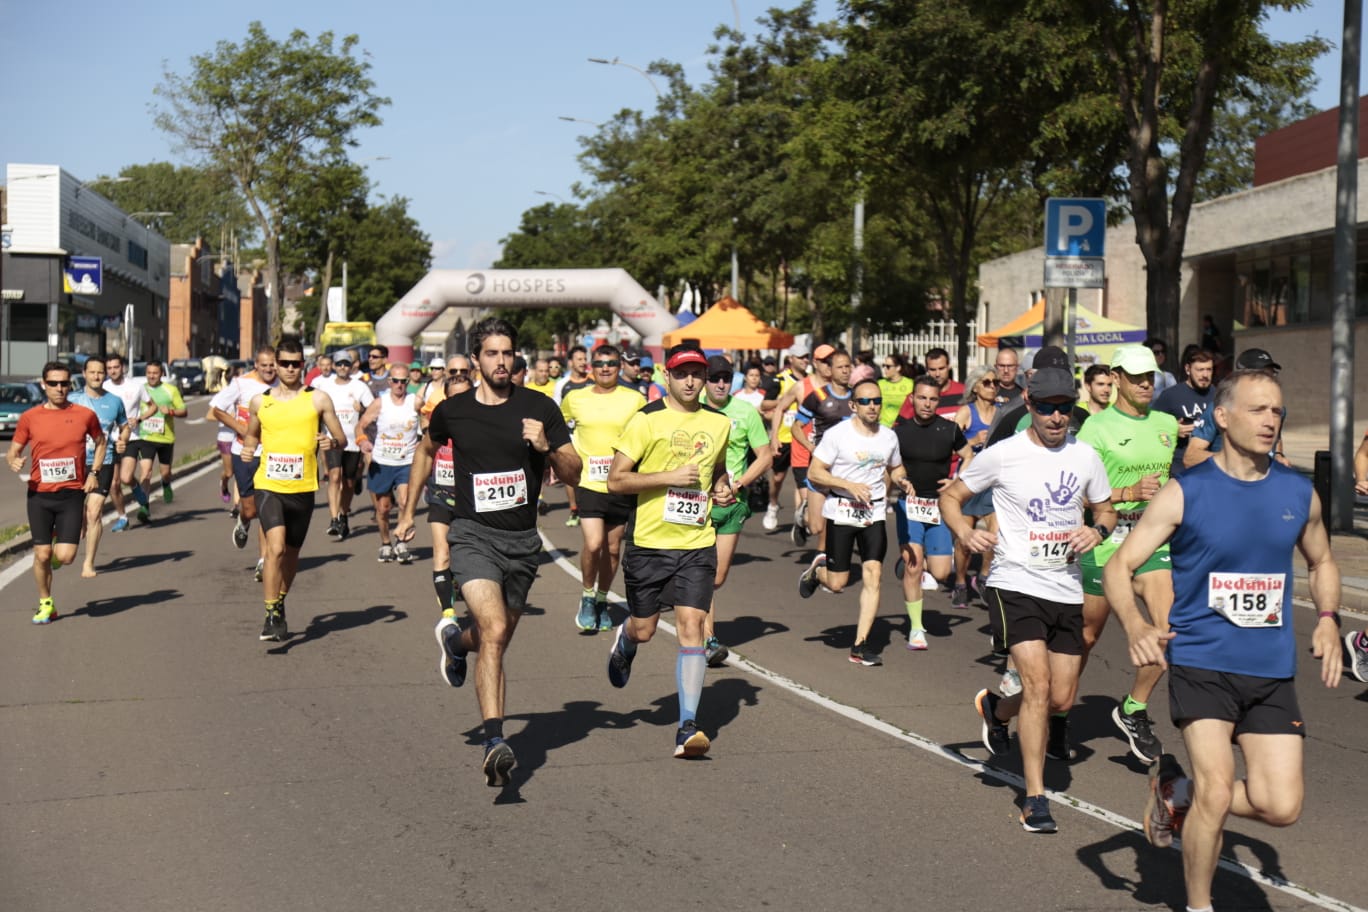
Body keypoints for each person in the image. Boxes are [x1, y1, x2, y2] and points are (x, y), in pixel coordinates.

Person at [1103, 369, 1342, 912]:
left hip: (1270, 670)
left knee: (1280, 806)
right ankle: (1199, 905)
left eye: (1277, 410)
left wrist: (1327, 616)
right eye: (1258, 409)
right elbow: (1120, 567)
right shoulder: (1185, 493)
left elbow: (1323, 559)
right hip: (1202, 664)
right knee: (1217, 788)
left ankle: (1174, 793)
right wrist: (1138, 625)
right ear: (1223, 417)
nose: (1271, 420)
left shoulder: (1296, 492)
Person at [395, 317, 581, 787]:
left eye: (508, 353)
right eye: (493, 354)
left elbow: (575, 471)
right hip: (472, 534)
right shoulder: (452, 411)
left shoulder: (540, 406)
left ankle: (455, 641)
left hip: (522, 543)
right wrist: (408, 511)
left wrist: (547, 447)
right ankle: (495, 740)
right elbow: (425, 451)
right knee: (495, 630)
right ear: (475, 359)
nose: (502, 362)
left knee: (490, 637)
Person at [941, 366, 1114, 834]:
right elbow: (953, 496)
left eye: (1065, 408)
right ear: (1031, 407)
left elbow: (1106, 508)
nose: (1058, 417)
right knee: (1036, 687)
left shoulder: (1085, 456)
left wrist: (1096, 530)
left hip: (1064, 585)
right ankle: (1035, 797)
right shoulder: (1004, 455)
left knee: (1061, 697)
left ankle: (996, 711)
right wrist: (964, 531)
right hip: (1014, 582)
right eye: (1048, 408)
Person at [605, 343, 733, 758]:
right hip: (650, 543)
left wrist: (722, 488)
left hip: (697, 542)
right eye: (682, 374)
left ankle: (687, 726)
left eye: (697, 372)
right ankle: (625, 639)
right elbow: (616, 481)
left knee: (692, 626)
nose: (691, 381)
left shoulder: (719, 423)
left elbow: (716, 470)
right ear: (666, 377)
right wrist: (668, 476)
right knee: (644, 628)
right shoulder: (646, 420)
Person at [1074, 345, 1180, 765]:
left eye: (1150, 377)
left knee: (1168, 632)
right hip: (1103, 539)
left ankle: (1133, 709)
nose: (1145, 384)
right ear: (1115, 378)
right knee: (1085, 638)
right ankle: (1059, 710)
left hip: (1151, 543)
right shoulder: (1094, 429)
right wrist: (1128, 494)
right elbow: (1079, 492)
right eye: (1136, 377)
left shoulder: (1166, 423)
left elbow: (1181, 475)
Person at [241, 338, 348, 643]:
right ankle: (271, 613)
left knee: (290, 555)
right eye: (284, 363)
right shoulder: (260, 402)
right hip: (268, 485)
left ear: (304, 365)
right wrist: (248, 450)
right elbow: (251, 436)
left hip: (303, 489)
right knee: (274, 548)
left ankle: (280, 601)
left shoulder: (319, 399)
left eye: (295, 363)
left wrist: (331, 442)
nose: (290, 368)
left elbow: (341, 437)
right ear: (275, 364)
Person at [798, 379, 909, 667]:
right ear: (853, 405)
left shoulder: (889, 437)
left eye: (876, 401)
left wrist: (902, 480)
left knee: (873, 573)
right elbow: (816, 472)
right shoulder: (837, 435)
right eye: (865, 401)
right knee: (837, 583)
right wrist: (848, 484)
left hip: (873, 512)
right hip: (842, 510)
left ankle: (860, 645)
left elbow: (895, 467)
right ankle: (818, 572)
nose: (872, 407)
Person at [7, 362, 106, 623]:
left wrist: (94, 473)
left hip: (72, 494)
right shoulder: (30, 417)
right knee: (41, 555)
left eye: (64, 383)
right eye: (53, 383)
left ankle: (56, 543)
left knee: (66, 556)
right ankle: (45, 602)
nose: (60, 388)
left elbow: (100, 442)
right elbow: (13, 450)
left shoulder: (85, 415)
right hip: (39, 495)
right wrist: (13, 460)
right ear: (44, 384)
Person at [560, 343, 646, 632]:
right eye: (599, 364)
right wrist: (563, 459)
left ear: (619, 367)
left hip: (620, 482)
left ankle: (601, 599)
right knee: (594, 543)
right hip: (588, 481)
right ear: (590, 368)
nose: (605, 368)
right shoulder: (575, 397)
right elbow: (559, 428)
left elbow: (646, 435)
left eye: (610, 363)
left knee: (611, 549)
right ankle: (586, 596)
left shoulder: (635, 399)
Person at [891, 376, 973, 650]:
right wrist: (901, 480)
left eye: (933, 399)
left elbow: (969, 455)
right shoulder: (899, 432)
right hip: (909, 505)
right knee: (915, 566)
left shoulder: (949, 430)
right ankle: (916, 628)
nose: (927, 404)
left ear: (939, 401)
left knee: (939, 573)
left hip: (938, 506)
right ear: (912, 399)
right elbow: (891, 466)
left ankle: (909, 562)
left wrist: (957, 480)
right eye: (922, 398)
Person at [702, 355, 774, 666]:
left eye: (725, 378)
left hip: (733, 504)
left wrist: (740, 483)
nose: (720, 384)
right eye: (715, 378)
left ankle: (692, 612)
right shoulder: (693, 410)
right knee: (702, 573)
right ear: (705, 380)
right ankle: (707, 639)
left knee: (717, 577)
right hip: (698, 504)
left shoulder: (745, 412)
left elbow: (765, 456)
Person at [211, 347, 279, 582]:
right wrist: (239, 428)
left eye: (273, 364)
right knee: (250, 509)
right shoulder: (242, 384)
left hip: (272, 454)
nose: (269, 369)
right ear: (256, 365)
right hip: (245, 453)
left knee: (266, 509)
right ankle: (243, 520)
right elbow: (217, 408)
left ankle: (263, 561)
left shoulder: (284, 386)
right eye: (264, 365)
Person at [68, 357, 131, 578]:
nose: (96, 376)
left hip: (103, 461)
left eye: (100, 372)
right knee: (76, 515)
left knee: (94, 512)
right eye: (92, 372)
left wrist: (123, 439)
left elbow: (125, 427)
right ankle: (78, 522)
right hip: (73, 463)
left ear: (105, 375)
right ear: (84, 373)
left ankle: (89, 562)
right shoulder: (71, 399)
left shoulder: (114, 401)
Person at [423, 367, 475, 618]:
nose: (459, 402)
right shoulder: (437, 422)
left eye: (464, 396)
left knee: (466, 554)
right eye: (453, 397)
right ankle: (448, 614)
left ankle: (459, 581)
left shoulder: (482, 423)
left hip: (473, 499)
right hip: (441, 494)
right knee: (441, 552)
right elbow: (423, 455)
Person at [357, 362, 421, 564]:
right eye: (396, 381)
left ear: (407, 382)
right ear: (389, 381)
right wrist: (363, 441)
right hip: (382, 461)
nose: (399, 385)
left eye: (403, 381)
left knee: (404, 501)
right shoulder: (380, 403)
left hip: (407, 462)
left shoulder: (415, 401)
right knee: (383, 509)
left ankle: (401, 541)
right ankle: (385, 543)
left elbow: (431, 418)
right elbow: (361, 425)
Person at [792, 349, 855, 552]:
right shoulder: (818, 396)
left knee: (834, 521)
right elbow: (796, 427)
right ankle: (806, 511)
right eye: (840, 367)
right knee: (816, 526)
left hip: (847, 468)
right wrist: (811, 447)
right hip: (821, 466)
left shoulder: (858, 397)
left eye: (848, 366)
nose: (845, 371)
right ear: (830, 370)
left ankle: (826, 564)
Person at [1184, 348, 1288, 468]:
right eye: (1261, 376)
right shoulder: (1220, 409)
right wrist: (1235, 462)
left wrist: (1278, 455)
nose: (1269, 381)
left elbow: (1277, 438)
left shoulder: (1279, 410)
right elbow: (1191, 457)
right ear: (1242, 377)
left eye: (1271, 374)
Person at [950, 364, 1000, 607]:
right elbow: (949, 443)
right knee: (964, 539)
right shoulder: (966, 412)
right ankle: (960, 581)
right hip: (970, 482)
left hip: (993, 483)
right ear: (976, 386)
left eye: (995, 383)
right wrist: (972, 440)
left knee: (995, 535)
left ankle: (983, 576)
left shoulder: (1002, 412)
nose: (992, 387)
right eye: (987, 382)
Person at [317, 353, 374, 540]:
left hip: (353, 442)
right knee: (334, 477)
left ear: (352, 366)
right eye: (339, 364)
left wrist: (363, 410)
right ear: (334, 366)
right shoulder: (323, 386)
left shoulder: (359, 386)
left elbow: (374, 410)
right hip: (332, 440)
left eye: (346, 364)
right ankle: (334, 519)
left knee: (349, 482)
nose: (342, 367)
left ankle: (344, 513)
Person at [762, 352, 811, 532]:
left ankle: (800, 516)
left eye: (807, 358)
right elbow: (764, 404)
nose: (805, 360)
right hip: (783, 436)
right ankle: (773, 504)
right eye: (801, 357)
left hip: (802, 438)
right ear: (791, 359)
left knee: (802, 479)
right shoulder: (780, 380)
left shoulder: (811, 381)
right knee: (778, 477)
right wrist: (784, 400)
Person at [131, 361, 187, 518]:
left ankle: (166, 483)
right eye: (149, 372)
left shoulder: (170, 390)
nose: (151, 376)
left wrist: (170, 411)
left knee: (166, 472)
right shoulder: (140, 390)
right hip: (145, 437)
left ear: (161, 374)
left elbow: (183, 411)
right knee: (146, 472)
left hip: (165, 438)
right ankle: (144, 506)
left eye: (155, 373)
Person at [103, 353, 150, 531]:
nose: (113, 371)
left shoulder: (136, 386)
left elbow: (152, 405)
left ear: (122, 367)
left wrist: (139, 418)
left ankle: (136, 488)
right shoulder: (104, 387)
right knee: (114, 483)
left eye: (116, 367)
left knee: (126, 477)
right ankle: (122, 517)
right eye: (109, 368)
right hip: (110, 439)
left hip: (131, 437)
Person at [1154, 347, 1215, 477]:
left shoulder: (1219, 395)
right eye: (1200, 370)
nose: (1205, 375)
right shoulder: (1171, 395)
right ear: (1188, 369)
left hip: (1210, 463)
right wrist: (1172, 429)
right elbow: (1150, 427)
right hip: (1179, 466)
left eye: (1209, 369)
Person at [877, 353, 914, 428]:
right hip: (883, 426)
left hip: (903, 426)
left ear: (898, 368)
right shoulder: (879, 384)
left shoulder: (910, 384)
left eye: (888, 366)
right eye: (883, 366)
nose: (885, 369)